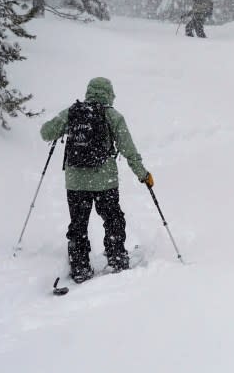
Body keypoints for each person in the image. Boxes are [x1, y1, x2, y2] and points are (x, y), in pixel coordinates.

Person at [40, 77, 153, 283]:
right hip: (105, 181)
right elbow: (129, 150)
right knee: (113, 219)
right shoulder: (113, 116)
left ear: (89, 92)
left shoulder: (72, 112)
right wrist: (143, 175)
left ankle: (80, 266)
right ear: (109, 94)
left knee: (78, 223)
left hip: (75, 182)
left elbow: (46, 133)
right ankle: (116, 258)